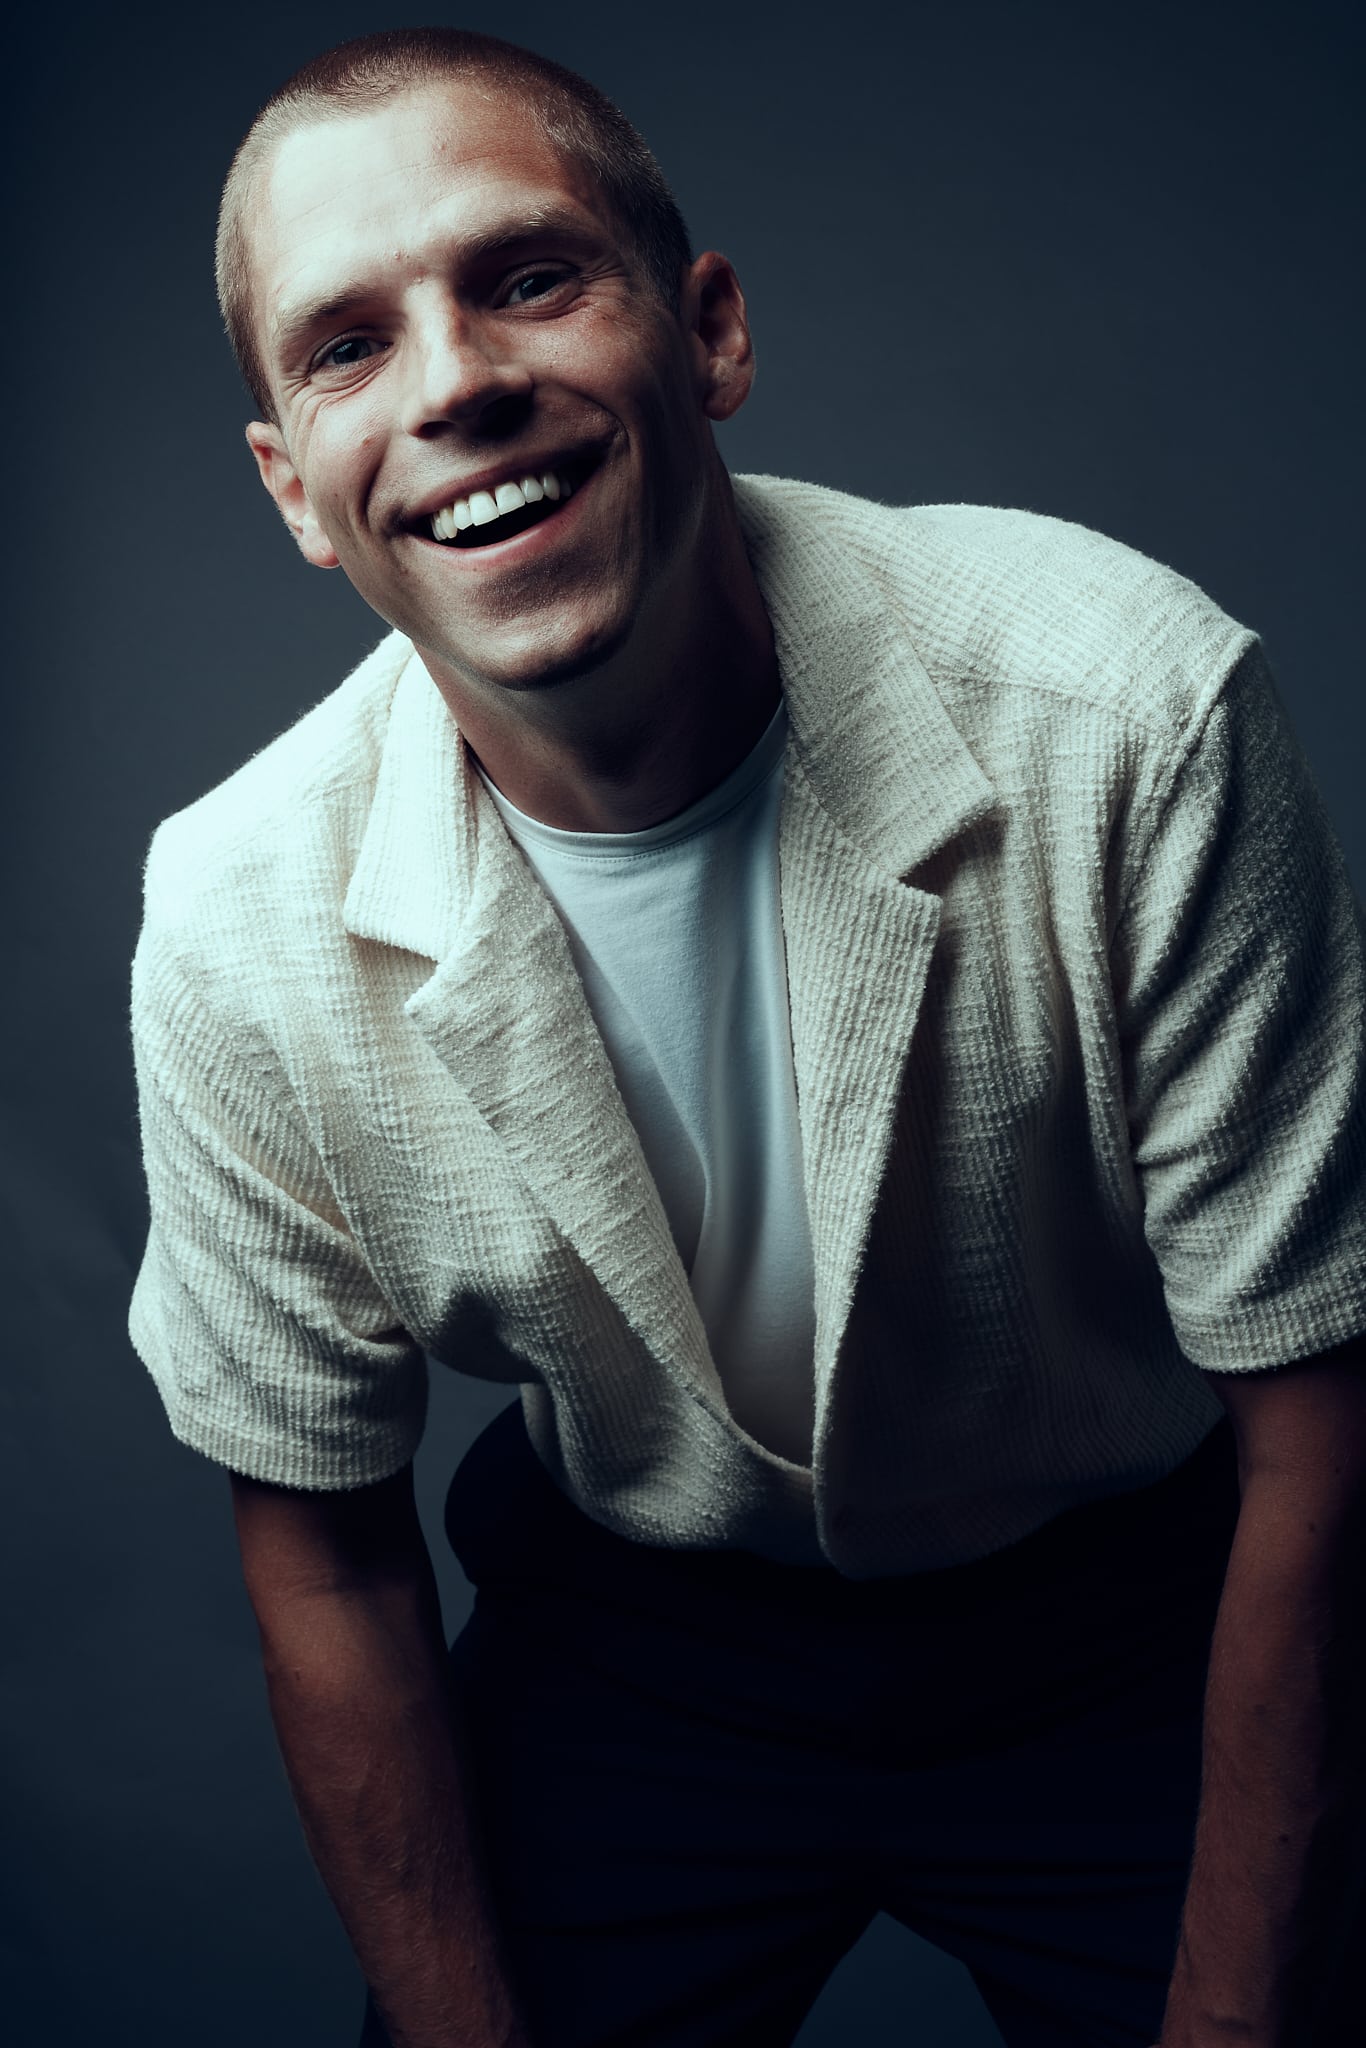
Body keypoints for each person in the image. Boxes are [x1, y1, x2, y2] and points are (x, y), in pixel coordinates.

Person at [128, 25, 1366, 2048]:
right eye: (345, 345)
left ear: (703, 329)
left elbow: (1322, 1433)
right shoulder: (236, 921)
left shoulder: (1126, 713)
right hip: (639, 1646)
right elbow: (329, 1562)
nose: (453, 384)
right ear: (294, 488)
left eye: (525, 274)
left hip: (1134, 1605)